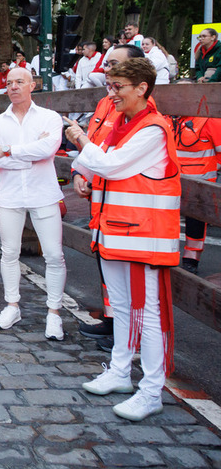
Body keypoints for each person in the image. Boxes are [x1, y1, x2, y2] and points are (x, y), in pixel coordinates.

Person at [68, 58, 180, 421]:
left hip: (141, 237)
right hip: (117, 231)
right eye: (109, 86)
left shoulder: (153, 128)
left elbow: (111, 165)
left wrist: (82, 140)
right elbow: (105, 163)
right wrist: (84, 170)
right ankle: (119, 372)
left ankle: (151, 390)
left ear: (142, 88)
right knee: (121, 307)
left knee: (145, 314)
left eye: (118, 87)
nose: (111, 93)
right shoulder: (125, 124)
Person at [0, 67, 67, 340]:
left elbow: (48, 150)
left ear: (33, 85)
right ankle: (11, 305)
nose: (14, 86)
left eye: (20, 82)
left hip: (43, 193)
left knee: (54, 254)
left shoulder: (49, 117)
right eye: (9, 83)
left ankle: (54, 313)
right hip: (10, 195)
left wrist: (9, 150)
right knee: (9, 253)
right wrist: (31, 153)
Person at [171, 113, 221, 274]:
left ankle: (191, 260)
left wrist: (212, 168)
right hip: (172, 182)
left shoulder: (209, 120)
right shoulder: (170, 120)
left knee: (196, 225)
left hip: (199, 186)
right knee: (167, 220)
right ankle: (167, 256)